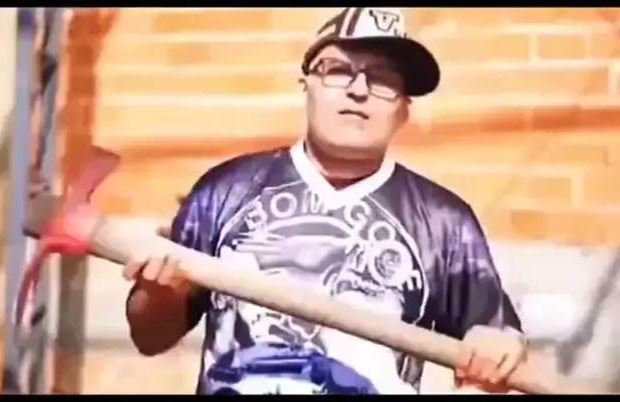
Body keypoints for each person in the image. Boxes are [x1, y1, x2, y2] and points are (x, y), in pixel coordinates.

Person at [123, 7, 526, 395]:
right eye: (337, 70)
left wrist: (499, 351)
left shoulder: (444, 223)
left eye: (383, 79)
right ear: (307, 86)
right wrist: (161, 294)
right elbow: (149, 338)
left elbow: (495, 342)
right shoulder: (225, 191)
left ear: (404, 111)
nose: (358, 89)